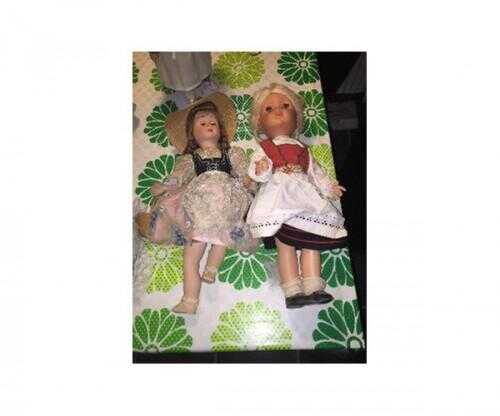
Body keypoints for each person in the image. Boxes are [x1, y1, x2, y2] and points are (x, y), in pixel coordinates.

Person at [136, 93, 256, 314]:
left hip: (226, 202)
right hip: (198, 208)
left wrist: (252, 179)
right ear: (192, 132)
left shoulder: (232, 154)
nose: (209, 125)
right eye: (202, 123)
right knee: (190, 257)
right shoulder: (190, 159)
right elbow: (178, 177)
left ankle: (212, 267)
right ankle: (190, 300)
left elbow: (243, 175)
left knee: (225, 231)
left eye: (213, 123)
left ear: (220, 129)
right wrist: (165, 185)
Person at [247, 83, 348, 309]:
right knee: (285, 245)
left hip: (305, 199)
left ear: (296, 117)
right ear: (260, 122)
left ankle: (313, 286)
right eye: (269, 109)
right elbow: (256, 172)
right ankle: (292, 291)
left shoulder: (303, 148)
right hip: (278, 201)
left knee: (313, 240)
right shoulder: (264, 148)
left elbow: (316, 173)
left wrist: (329, 188)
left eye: (285, 106)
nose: (278, 111)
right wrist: (262, 169)